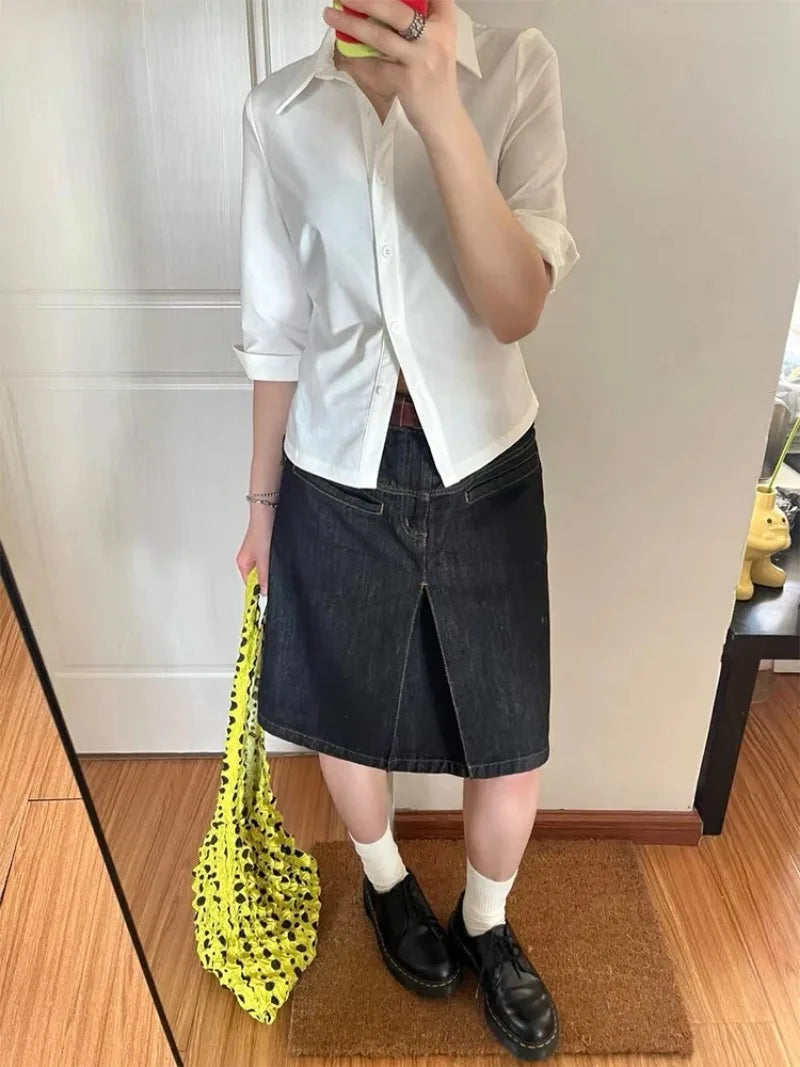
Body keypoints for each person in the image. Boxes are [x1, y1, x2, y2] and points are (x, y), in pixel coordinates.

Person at [234, 0, 578, 1059]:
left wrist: (440, 112)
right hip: (334, 464)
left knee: (506, 727)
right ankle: (385, 883)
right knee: (346, 709)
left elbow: (514, 306)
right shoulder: (279, 112)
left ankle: (485, 919)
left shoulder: (515, 68)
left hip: (485, 461)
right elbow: (275, 326)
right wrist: (259, 507)